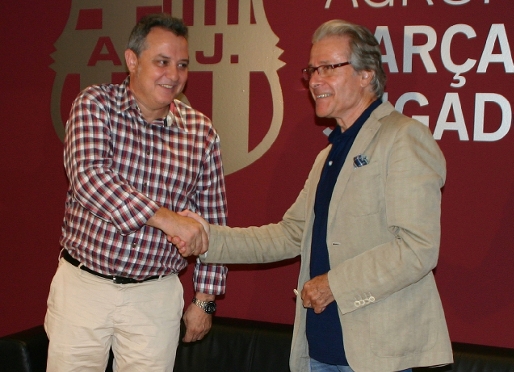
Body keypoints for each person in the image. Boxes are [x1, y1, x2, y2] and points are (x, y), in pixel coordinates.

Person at [177, 19, 453, 372]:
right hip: (318, 353)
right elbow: (290, 234)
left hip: (377, 357)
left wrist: (333, 284)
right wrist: (205, 239)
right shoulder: (329, 154)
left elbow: (418, 248)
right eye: (312, 70)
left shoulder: (403, 138)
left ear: (366, 74)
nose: (315, 81)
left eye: (328, 68)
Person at [44, 13, 228, 371]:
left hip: (155, 296)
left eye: (182, 65)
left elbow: (213, 222)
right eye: (162, 62)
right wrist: (166, 220)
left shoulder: (200, 132)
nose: (173, 75)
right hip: (84, 285)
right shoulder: (94, 105)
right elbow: (89, 178)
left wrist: (205, 300)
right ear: (132, 60)